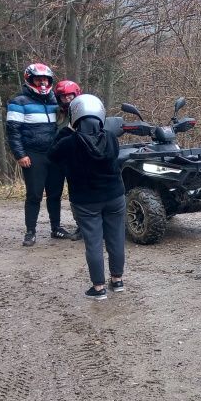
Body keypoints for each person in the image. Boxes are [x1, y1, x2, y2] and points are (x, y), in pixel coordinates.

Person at [49, 94, 126, 300]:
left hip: (86, 201)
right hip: (114, 196)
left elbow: (52, 156)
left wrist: (65, 131)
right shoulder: (110, 137)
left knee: (93, 243)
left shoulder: (67, 143)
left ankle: (99, 288)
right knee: (116, 238)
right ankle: (117, 281)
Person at [5, 63, 78, 246]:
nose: (43, 83)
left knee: (55, 194)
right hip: (33, 154)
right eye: (38, 79)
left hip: (54, 154)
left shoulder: (56, 100)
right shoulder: (19, 102)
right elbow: (13, 132)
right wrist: (20, 154)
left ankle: (56, 228)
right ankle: (30, 232)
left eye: (46, 79)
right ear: (30, 80)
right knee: (34, 194)